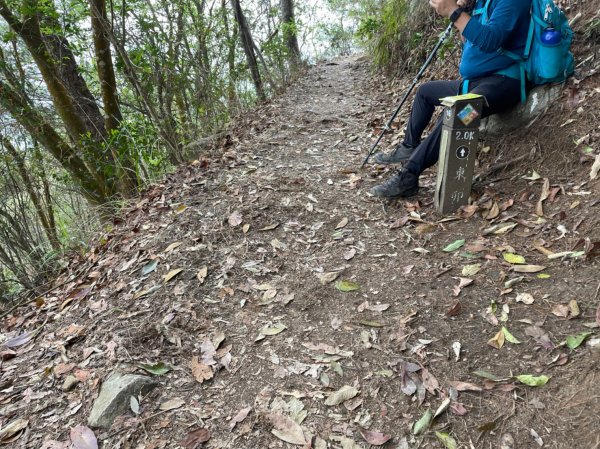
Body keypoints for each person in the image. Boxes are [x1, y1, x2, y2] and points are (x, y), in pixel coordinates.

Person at [370, 0, 532, 199]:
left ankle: (409, 176)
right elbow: (470, 41)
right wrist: (465, 11)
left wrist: (454, 12)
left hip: (505, 81)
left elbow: (491, 40)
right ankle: (409, 146)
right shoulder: (482, 2)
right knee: (425, 92)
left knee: (459, 113)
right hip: (476, 82)